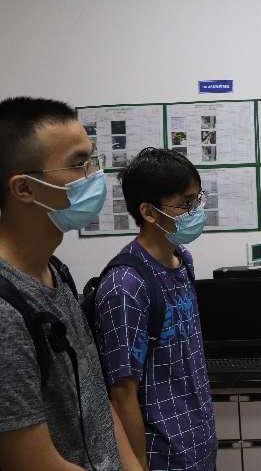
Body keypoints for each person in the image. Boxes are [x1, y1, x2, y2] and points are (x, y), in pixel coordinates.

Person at [0, 96, 141, 470]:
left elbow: (94, 398)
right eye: (79, 164)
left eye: (92, 160)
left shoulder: (55, 271)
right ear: (24, 189)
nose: (95, 175)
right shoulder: (5, 310)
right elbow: (32, 462)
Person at [93, 147, 217, 470]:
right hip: (161, 456)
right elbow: (122, 394)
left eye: (197, 199)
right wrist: (138, 464)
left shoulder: (182, 260)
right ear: (149, 212)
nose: (196, 210)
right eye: (186, 203)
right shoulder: (125, 285)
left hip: (199, 446)